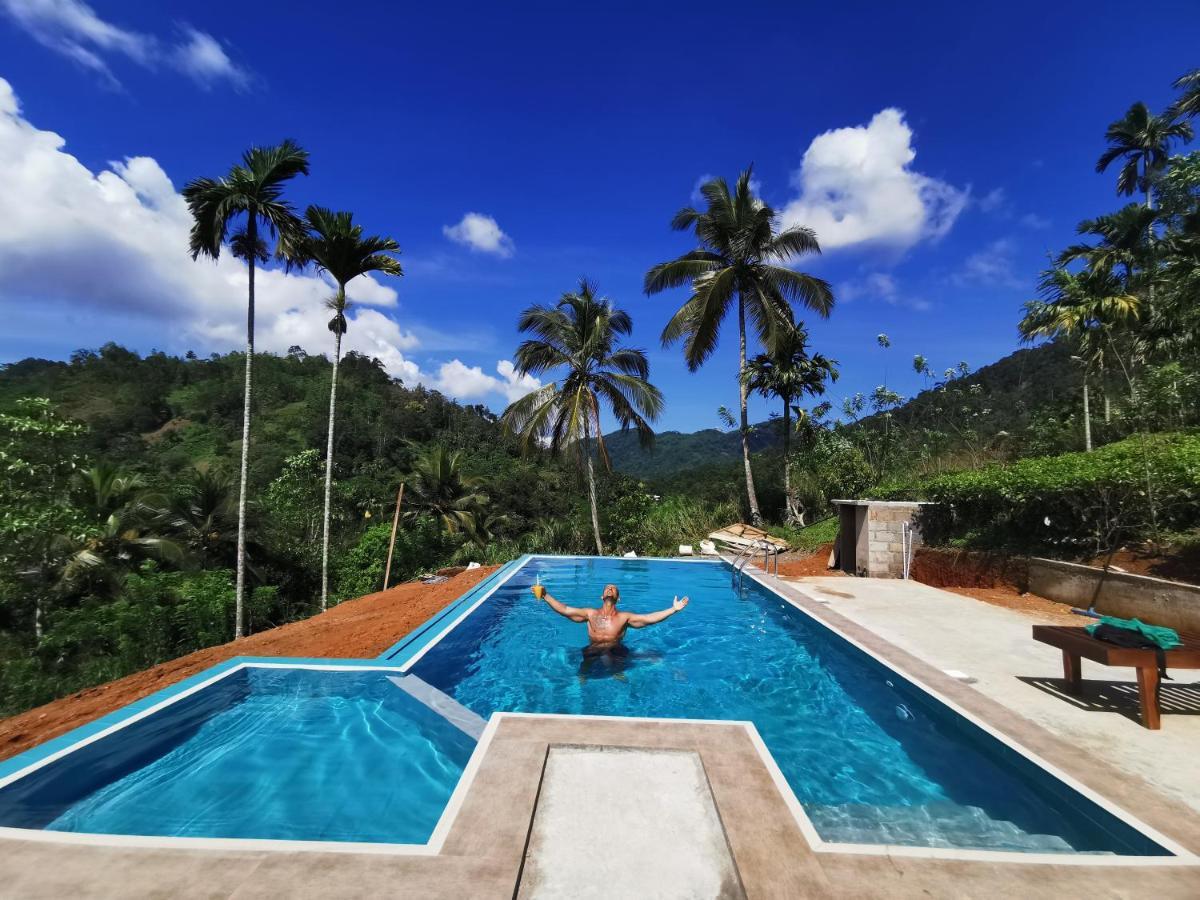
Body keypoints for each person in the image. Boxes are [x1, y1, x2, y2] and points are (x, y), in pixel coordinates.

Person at [532, 582, 688, 650]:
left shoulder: (624, 617)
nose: (610, 589)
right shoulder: (590, 614)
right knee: (583, 674)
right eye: (607, 588)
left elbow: (648, 619)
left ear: (618, 598)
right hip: (592, 649)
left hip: (616, 650)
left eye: (613, 589)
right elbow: (565, 610)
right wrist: (545, 595)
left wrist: (673, 609)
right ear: (601, 596)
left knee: (619, 672)